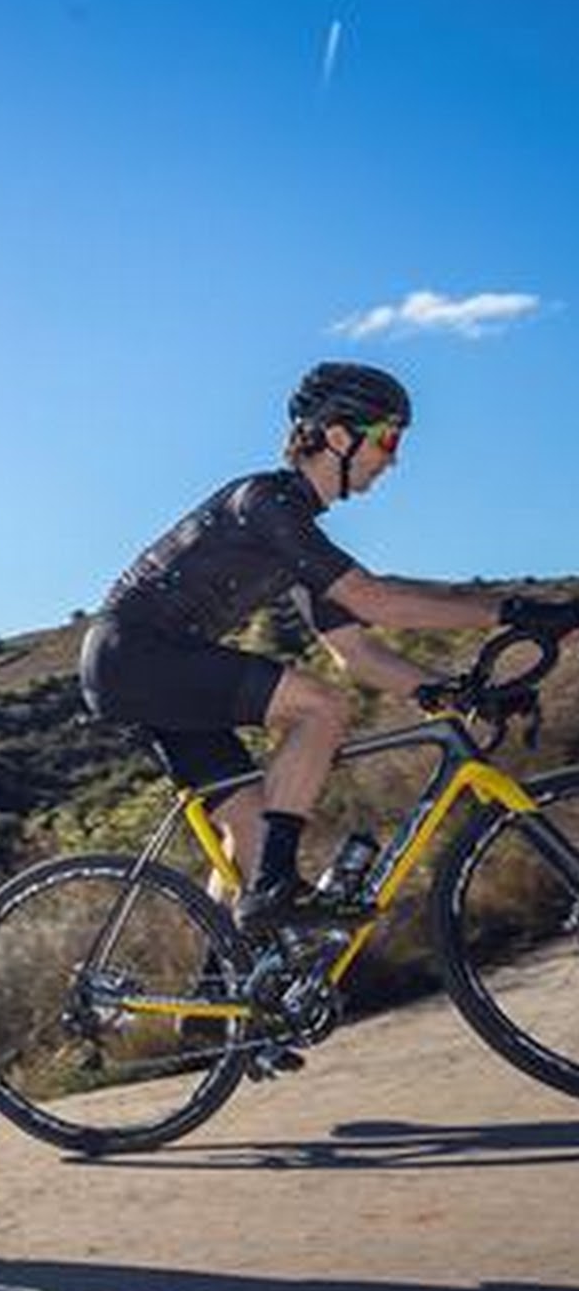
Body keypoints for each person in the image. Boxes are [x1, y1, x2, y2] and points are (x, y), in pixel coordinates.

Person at [80, 361, 579, 933]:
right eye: (387, 439)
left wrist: (445, 692)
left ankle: (223, 981)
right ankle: (274, 892)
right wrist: (515, 610)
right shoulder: (265, 503)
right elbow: (374, 600)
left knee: (253, 833)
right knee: (321, 707)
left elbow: (355, 651)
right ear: (338, 436)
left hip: (152, 673)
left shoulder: (295, 533)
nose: (392, 459)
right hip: (139, 656)